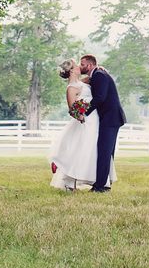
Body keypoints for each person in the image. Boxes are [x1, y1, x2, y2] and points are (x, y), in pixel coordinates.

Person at [49, 58, 116, 191]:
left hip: (95, 119)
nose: (80, 66)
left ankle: (99, 180)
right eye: (77, 65)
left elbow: (95, 77)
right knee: (80, 150)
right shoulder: (71, 87)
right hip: (86, 121)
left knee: (93, 151)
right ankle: (69, 182)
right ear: (73, 70)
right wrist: (80, 115)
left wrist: (99, 67)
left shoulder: (82, 82)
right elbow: (72, 109)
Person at [80, 54, 126, 193]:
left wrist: (84, 112)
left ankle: (100, 186)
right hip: (109, 118)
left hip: (110, 118)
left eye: (82, 64)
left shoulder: (99, 75)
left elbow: (100, 98)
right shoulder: (97, 75)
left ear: (90, 64)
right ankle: (104, 184)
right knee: (106, 152)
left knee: (104, 152)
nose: (80, 66)